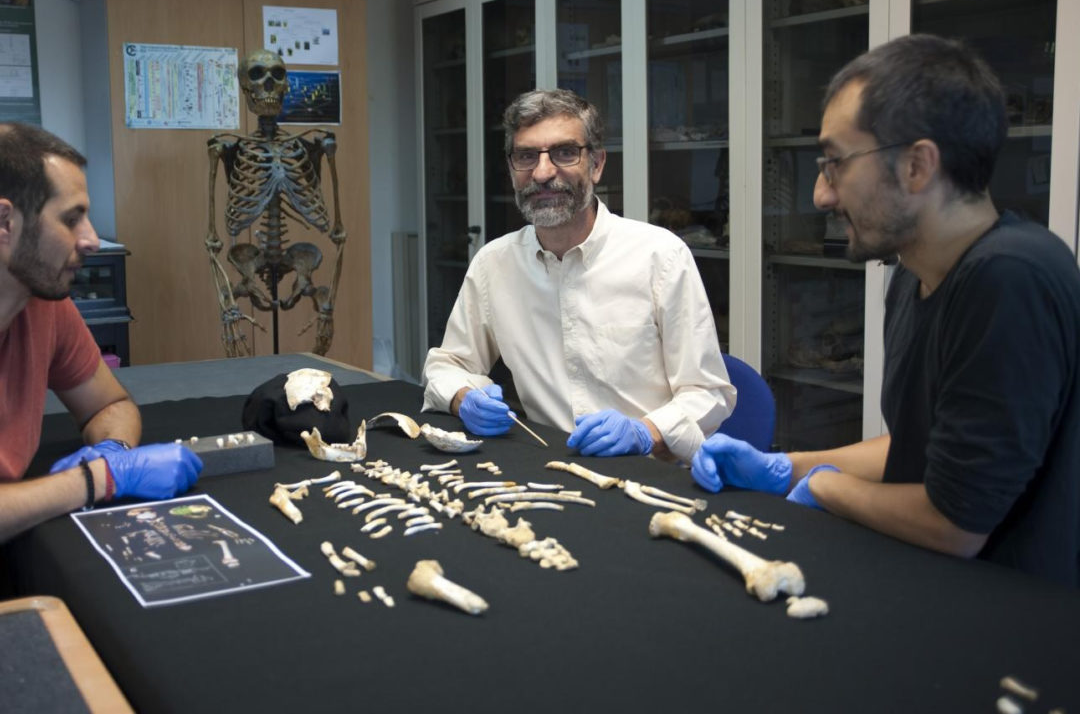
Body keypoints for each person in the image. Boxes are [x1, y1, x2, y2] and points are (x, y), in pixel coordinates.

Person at [690, 34, 1080, 586]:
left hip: (1017, 622)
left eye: (835, 164)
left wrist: (824, 484)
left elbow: (955, 525)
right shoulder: (913, 274)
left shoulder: (1010, 276)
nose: (822, 195)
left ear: (917, 166)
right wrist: (785, 465)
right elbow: (927, 449)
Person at [0, 122, 202, 619]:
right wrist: (99, 479)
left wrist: (113, 449)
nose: (92, 240)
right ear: (5, 222)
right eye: (72, 219)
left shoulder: (41, 302)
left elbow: (110, 403)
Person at [422, 89, 734, 462]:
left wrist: (645, 432)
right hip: (551, 471)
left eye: (565, 152)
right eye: (526, 156)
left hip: (652, 477)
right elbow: (447, 365)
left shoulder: (660, 257)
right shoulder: (495, 264)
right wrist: (462, 397)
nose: (542, 173)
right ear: (511, 169)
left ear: (597, 164)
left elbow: (709, 393)